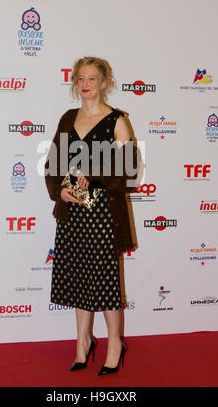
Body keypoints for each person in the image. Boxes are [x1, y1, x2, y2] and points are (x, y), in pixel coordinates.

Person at [45, 56, 139, 375]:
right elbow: (53, 165)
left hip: (103, 213)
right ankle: (82, 342)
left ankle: (114, 342)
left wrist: (94, 173)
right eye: (81, 79)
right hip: (73, 211)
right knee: (78, 281)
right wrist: (60, 190)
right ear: (75, 83)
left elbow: (128, 169)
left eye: (92, 79)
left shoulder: (117, 120)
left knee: (107, 283)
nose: (86, 85)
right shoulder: (67, 119)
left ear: (104, 83)